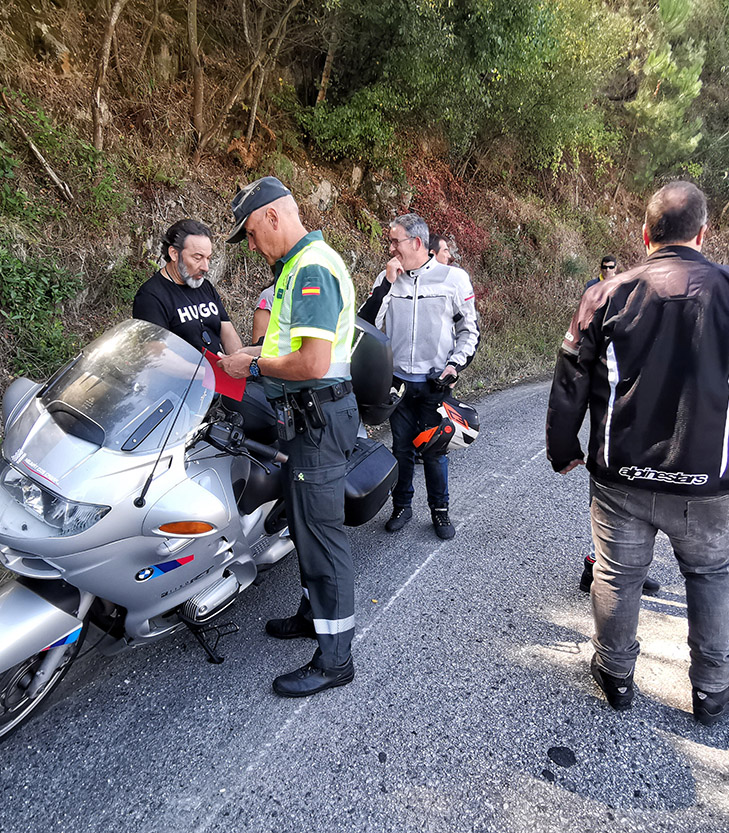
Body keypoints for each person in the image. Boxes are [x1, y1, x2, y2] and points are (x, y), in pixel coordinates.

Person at [546, 181, 729, 725]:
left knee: (617, 574)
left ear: (645, 234)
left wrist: (562, 447)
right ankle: (712, 689)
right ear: (703, 234)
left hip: (621, 477)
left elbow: (570, 379)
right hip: (710, 480)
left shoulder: (606, 295)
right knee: (713, 577)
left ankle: (615, 675)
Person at [218, 176, 360, 699]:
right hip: (305, 418)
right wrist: (249, 356)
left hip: (318, 418)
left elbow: (312, 363)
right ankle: (312, 614)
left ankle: (335, 659)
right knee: (303, 525)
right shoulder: (295, 268)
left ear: (273, 216)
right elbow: (288, 348)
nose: (252, 246)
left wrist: (253, 367)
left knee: (321, 533)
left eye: (252, 234)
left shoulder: (312, 269)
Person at [359, 214, 480, 541]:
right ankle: (402, 507)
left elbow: (469, 331)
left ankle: (440, 511)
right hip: (397, 382)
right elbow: (365, 325)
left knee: (434, 452)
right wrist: (386, 284)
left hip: (434, 383)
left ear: (415, 243)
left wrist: (454, 366)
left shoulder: (453, 278)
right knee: (401, 449)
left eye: (394, 241)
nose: (390, 248)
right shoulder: (387, 277)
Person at [577, 252, 661, 597]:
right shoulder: (601, 295)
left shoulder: (653, 311)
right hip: (616, 424)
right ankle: (596, 567)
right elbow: (581, 361)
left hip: (647, 422)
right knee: (614, 504)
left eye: (614, 267)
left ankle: (624, 568)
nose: (609, 271)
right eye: (606, 267)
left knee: (643, 505)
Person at [132, 219, 243, 355]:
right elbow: (156, 352)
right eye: (197, 258)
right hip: (182, 368)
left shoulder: (205, 286)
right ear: (174, 253)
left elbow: (228, 332)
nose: (206, 267)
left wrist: (237, 360)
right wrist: (203, 369)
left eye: (208, 258)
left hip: (219, 366)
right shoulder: (150, 296)